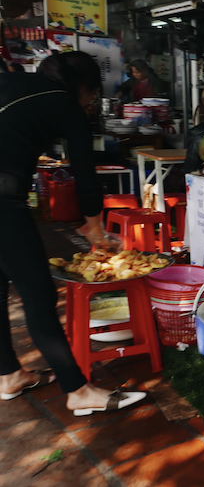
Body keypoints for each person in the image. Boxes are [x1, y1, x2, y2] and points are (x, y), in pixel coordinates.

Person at [0, 51, 145, 414]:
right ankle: (77, 390)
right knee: (38, 294)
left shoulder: (14, 82)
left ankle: (8, 376)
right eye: (93, 95)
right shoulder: (65, 104)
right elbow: (85, 173)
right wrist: (96, 230)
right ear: (83, 88)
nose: (92, 103)